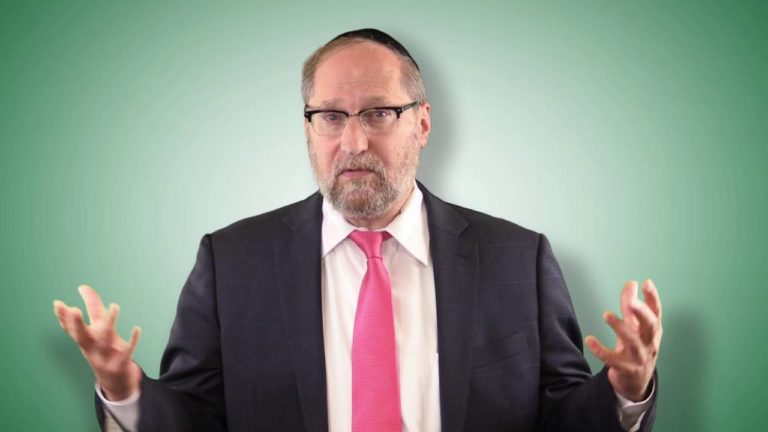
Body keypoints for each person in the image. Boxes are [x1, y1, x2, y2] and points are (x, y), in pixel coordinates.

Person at [53, 29, 662, 432]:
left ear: (422, 124)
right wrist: (126, 388)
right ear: (308, 127)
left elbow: (562, 419)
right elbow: (195, 420)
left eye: (378, 113)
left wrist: (624, 388)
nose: (353, 140)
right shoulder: (231, 261)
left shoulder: (516, 258)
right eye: (330, 116)